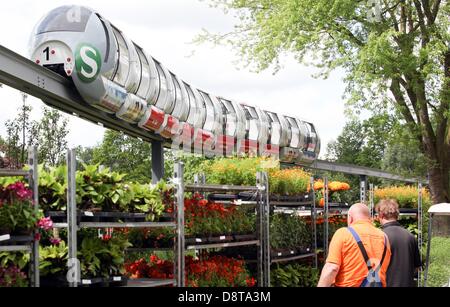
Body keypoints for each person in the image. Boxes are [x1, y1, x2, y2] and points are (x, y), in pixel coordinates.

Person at [317, 203, 391, 287]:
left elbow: (331, 268)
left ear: (350, 218)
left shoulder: (343, 233)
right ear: (370, 218)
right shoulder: (384, 237)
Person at [376, 199, 421, 287]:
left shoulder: (379, 236)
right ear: (397, 215)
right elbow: (417, 267)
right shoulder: (410, 236)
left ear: (381, 215)